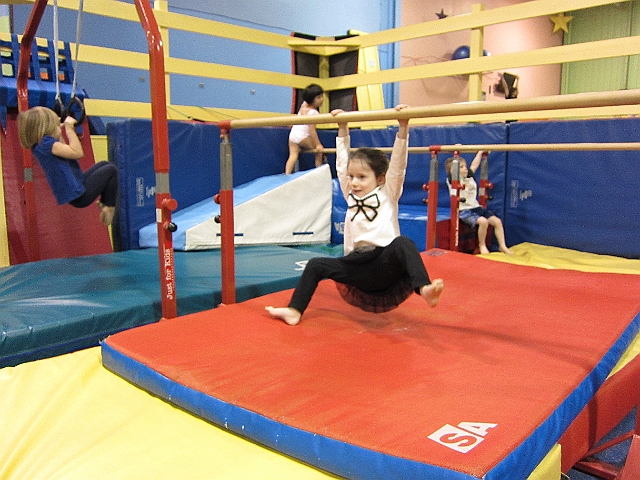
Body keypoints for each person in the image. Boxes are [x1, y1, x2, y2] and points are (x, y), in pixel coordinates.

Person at [266, 105, 444, 326]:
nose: (354, 182)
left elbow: (398, 166)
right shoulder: (350, 195)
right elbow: (342, 165)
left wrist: (403, 126)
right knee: (315, 264)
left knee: (403, 243)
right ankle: (294, 310)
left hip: (384, 265)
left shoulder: (388, 193)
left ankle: (424, 288)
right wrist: (342, 127)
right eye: (352, 177)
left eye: (362, 177)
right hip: (357, 268)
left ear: (380, 179)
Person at [17, 106, 118, 226]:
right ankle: (109, 207)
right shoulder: (46, 144)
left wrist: (60, 131)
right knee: (111, 170)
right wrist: (69, 130)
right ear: (46, 127)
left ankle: (105, 203)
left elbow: (65, 149)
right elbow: (77, 153)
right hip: (79, 195)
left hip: (77, 185)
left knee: (105, 164)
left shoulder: (41, 145)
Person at [445, 151, 513, 255]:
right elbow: (454, 167)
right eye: (461, 167)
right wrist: (456, 154)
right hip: (464, 211)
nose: (465, 168)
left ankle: (502, 246)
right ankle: (482, 245)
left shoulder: (469, 177)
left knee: (497, 222)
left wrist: (480, 153)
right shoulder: (453, 180)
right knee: (483, 222)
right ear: (453, 170)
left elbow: (474, 165)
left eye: (465, 166)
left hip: (476, 207)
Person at [285, 83, 325, 174]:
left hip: (293, 135)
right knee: (319, 152)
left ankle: (287, 175)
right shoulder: (314, 113)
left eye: (322, 96)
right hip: (303, 136)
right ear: (311, 99)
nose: (322, 99)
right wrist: (318, 145)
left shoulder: (304, 104)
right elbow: (312, 131)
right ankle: (319, 173)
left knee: (293, 156)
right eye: (318, 97)